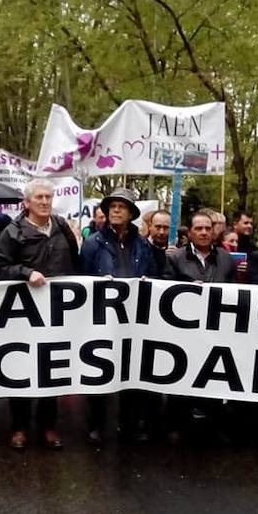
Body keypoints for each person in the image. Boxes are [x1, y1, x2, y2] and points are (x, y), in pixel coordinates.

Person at [0, 178, 80, 450]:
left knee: (51, 368)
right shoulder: (13, 232)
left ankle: (48, 427)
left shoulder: (62, 226)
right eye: (39, 197)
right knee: (21, 369)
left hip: (56, 311)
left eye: (48, 197)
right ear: (26, 202)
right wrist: (26, 273)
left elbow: (74, 262)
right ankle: (19, 427)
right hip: (23, 313)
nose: (44, 202)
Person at [80, 188, 158, 445]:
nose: (115, 210)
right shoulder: (93, 243)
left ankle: (130, 424)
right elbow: (82, 279)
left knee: (132, 372)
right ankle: (96, 425)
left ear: (131, 214)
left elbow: (155, 275)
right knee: (100, 371)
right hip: (102, 318)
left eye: (121, 207)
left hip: (133, 320)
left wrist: (148, 282)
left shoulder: (143, 244)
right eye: (111, 206)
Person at [163, 212, 237, 442]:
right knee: (182, 371)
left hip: (216, 327)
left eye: (208, 228)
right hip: (185, 327)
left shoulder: (226, 258)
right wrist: (184, 288)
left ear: (214, 231)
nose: (204, 232)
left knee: (213, 373)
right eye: (199, 228)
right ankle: (176, 422)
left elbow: (234, 290)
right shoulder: (175, 258)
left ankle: (213, 422)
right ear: (190, 232)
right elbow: (163, 287)